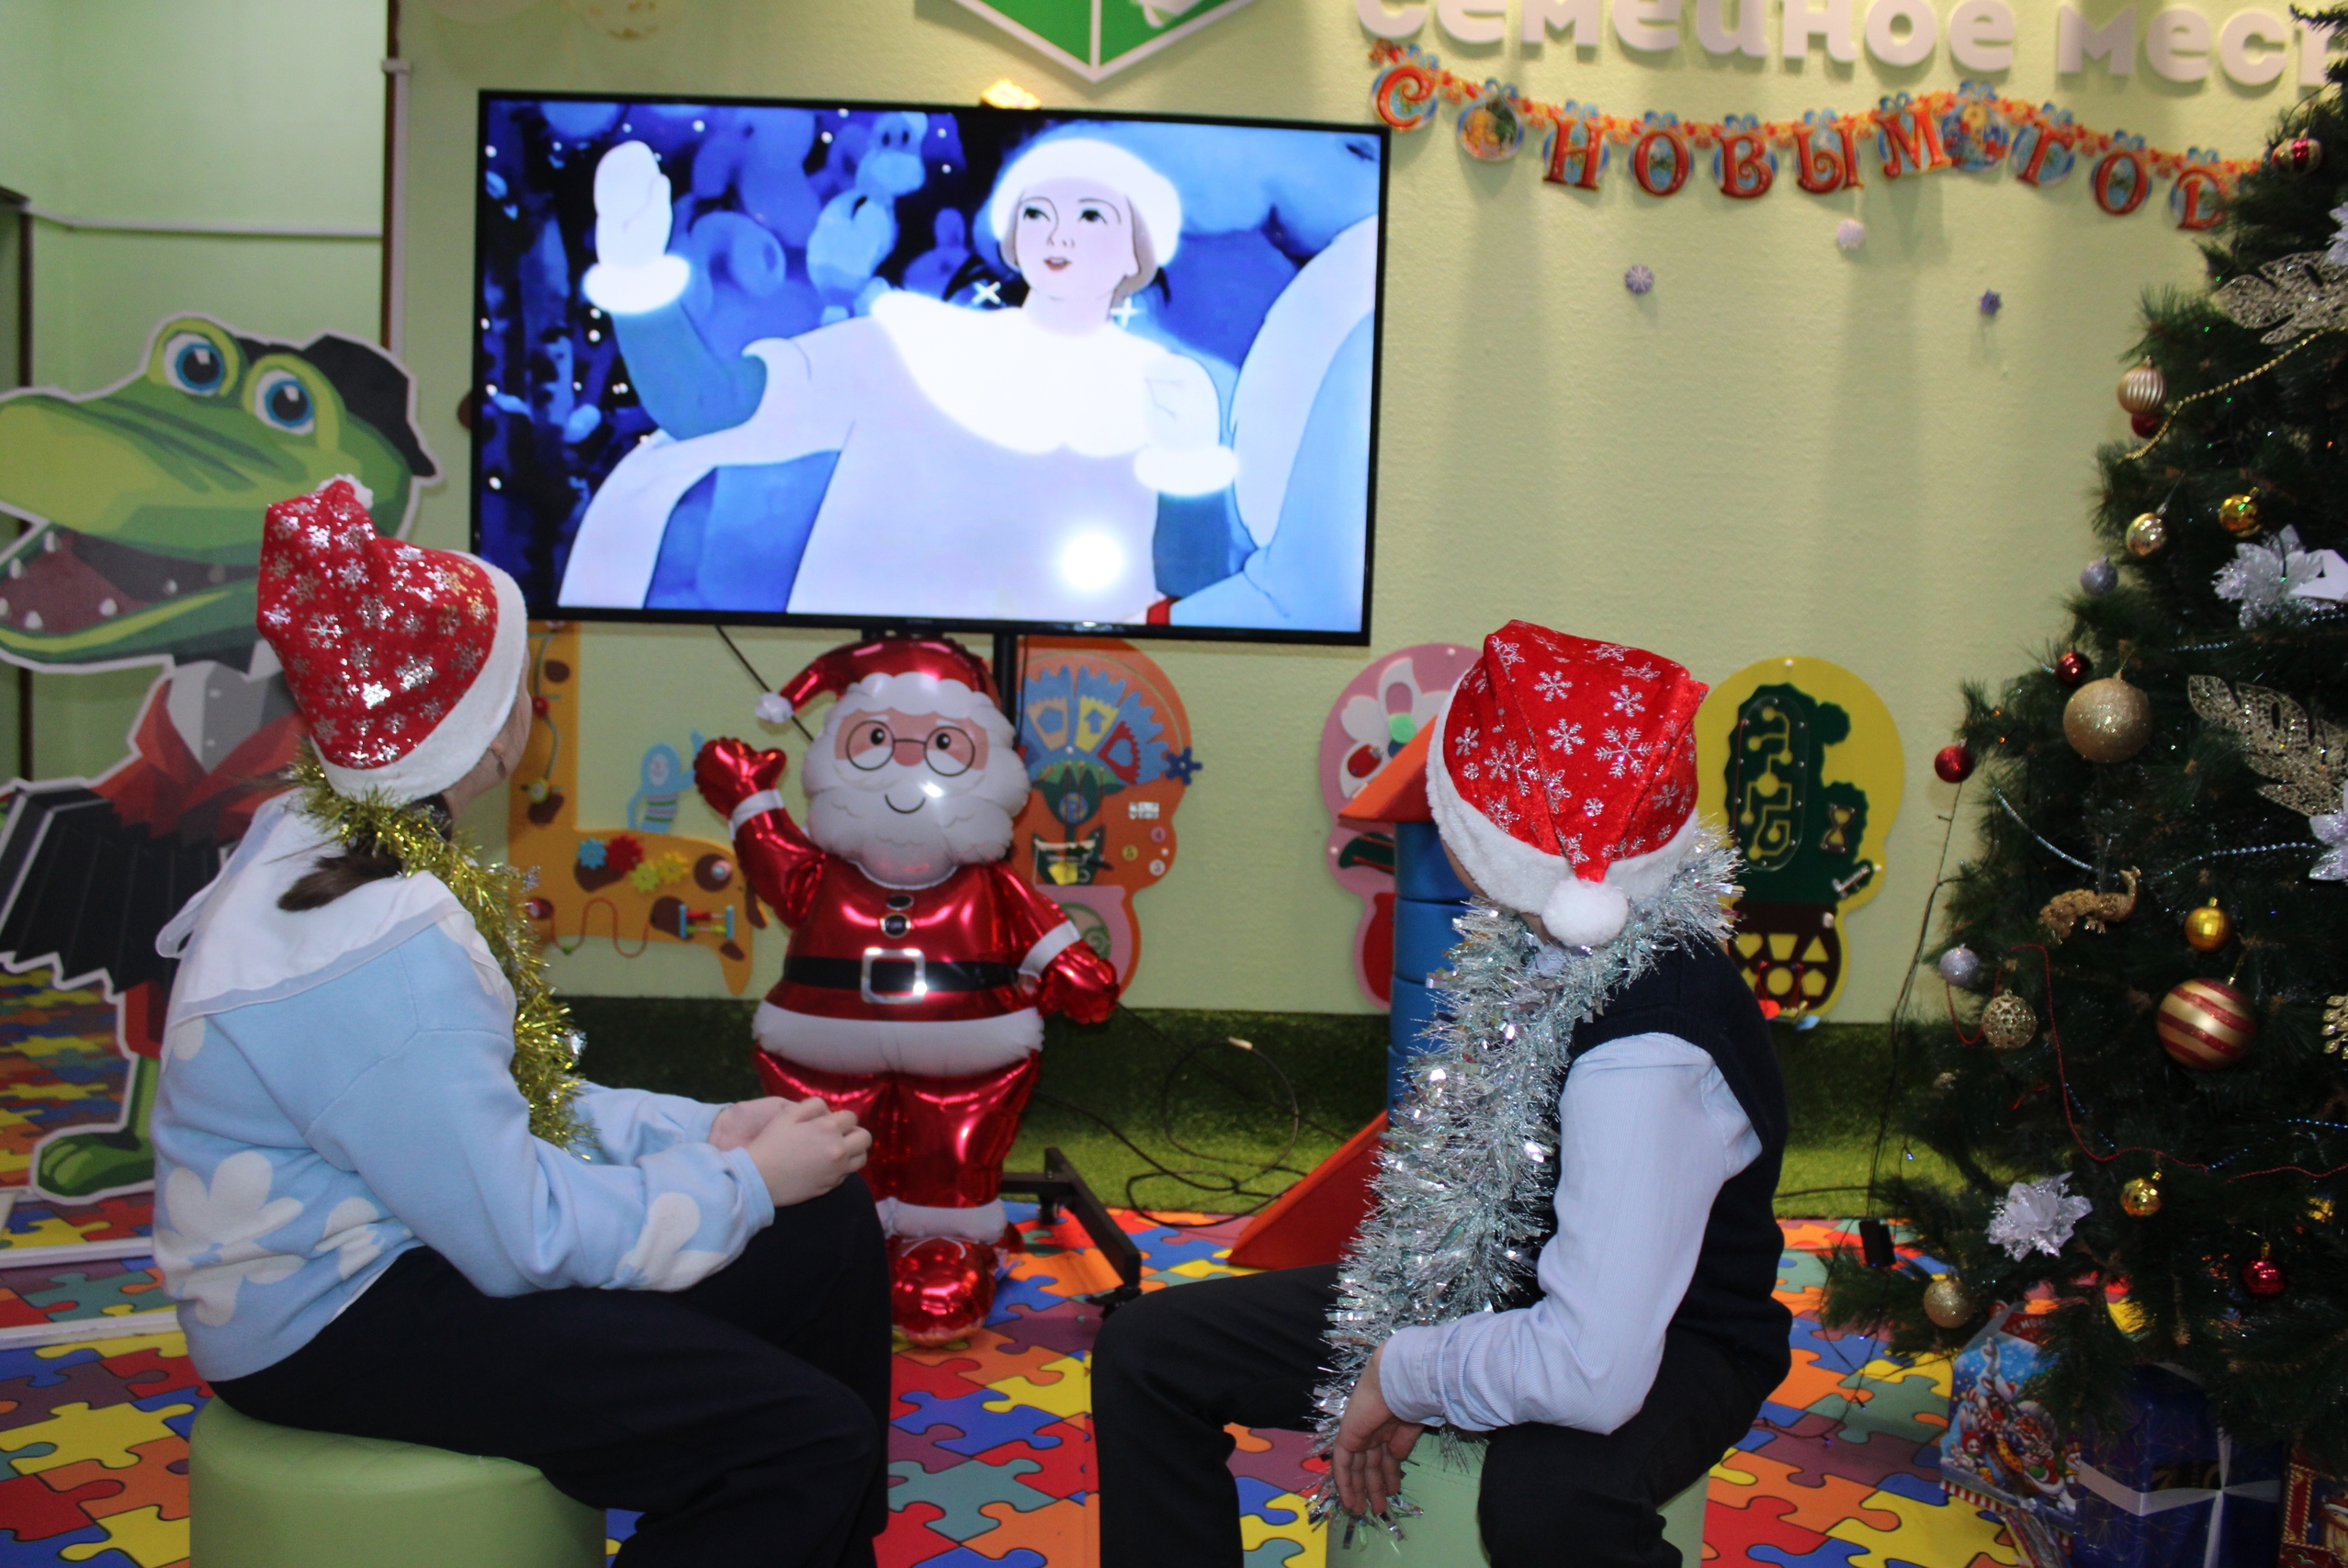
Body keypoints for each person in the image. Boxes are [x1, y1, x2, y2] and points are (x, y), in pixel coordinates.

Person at [150, 477, 891, 1568]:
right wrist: (738, 1180)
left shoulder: (343, 838)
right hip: (333, 1316)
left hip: (409, 1236)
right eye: (522, 677)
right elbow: (522, 1238)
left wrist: (703, 1133)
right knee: (803, 1444)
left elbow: (499, 1109)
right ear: (481, 732)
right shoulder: (383, 941)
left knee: (825, 1223)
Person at [1091, 620, 1791, 1568]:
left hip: (1676, 1331)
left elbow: (1592, 1366)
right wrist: (1429, 1334)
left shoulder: (1648, 1053)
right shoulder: (1539, 930)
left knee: (1550, 1499)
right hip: (1498, 1279)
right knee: (1148, 1352)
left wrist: (1406, 1370)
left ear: (1488, 836)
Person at [559, 132, 1233, 622]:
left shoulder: (1165, 392)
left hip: (1078, 715)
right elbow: (706, 405)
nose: (1060, 235)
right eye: (1038, 212)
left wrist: (1191, 470)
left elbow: (1194, 594)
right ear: (1013, 236)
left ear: (1137, 248)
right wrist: (634, 272)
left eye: (1091, 215)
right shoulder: (906, 347)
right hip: (870, 708)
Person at [694, 637, 1121, 1345]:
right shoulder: (825, 873)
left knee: (951, 1145)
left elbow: (1041, 930)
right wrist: (748, 797)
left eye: (943, 743)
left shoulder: (989, 882)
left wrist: (1070, 965)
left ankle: (943, 1241)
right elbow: (776, 862)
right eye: (877, 741)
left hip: (967, 1049)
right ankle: (839, 1237)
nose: (906, 764)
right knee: (828, 1143)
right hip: (823, 1044)